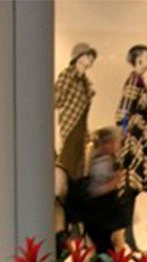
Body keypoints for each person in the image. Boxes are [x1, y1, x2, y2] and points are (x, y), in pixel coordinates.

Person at [116, 44, 147, 250]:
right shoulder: (134, 81)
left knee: (132, 190)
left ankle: (128, 236)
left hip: (138, 140)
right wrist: (126, 137)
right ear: (139, 59)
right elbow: (123, 112)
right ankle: (125, 236)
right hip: (134, 143)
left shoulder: (138, 81)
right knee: (129, 189)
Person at [54, 43, 97, 181]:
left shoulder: (85, 83)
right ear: (78, 57)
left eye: (92, 56)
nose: (91, 59)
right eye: (88, 55)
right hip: (70, 125)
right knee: (68, 163)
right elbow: (55, 99)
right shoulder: (67, 75)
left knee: (78, 166)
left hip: (81, 128)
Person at [81, 127, 126, 255]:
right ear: (108, 143)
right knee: (104, 248)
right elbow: (96, 190)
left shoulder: (103, 158)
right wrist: (114, 182)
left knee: (104, 246)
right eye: (115, 142)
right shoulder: (100, 161)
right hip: (99, 212)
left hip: (100, 212)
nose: (117, 146)